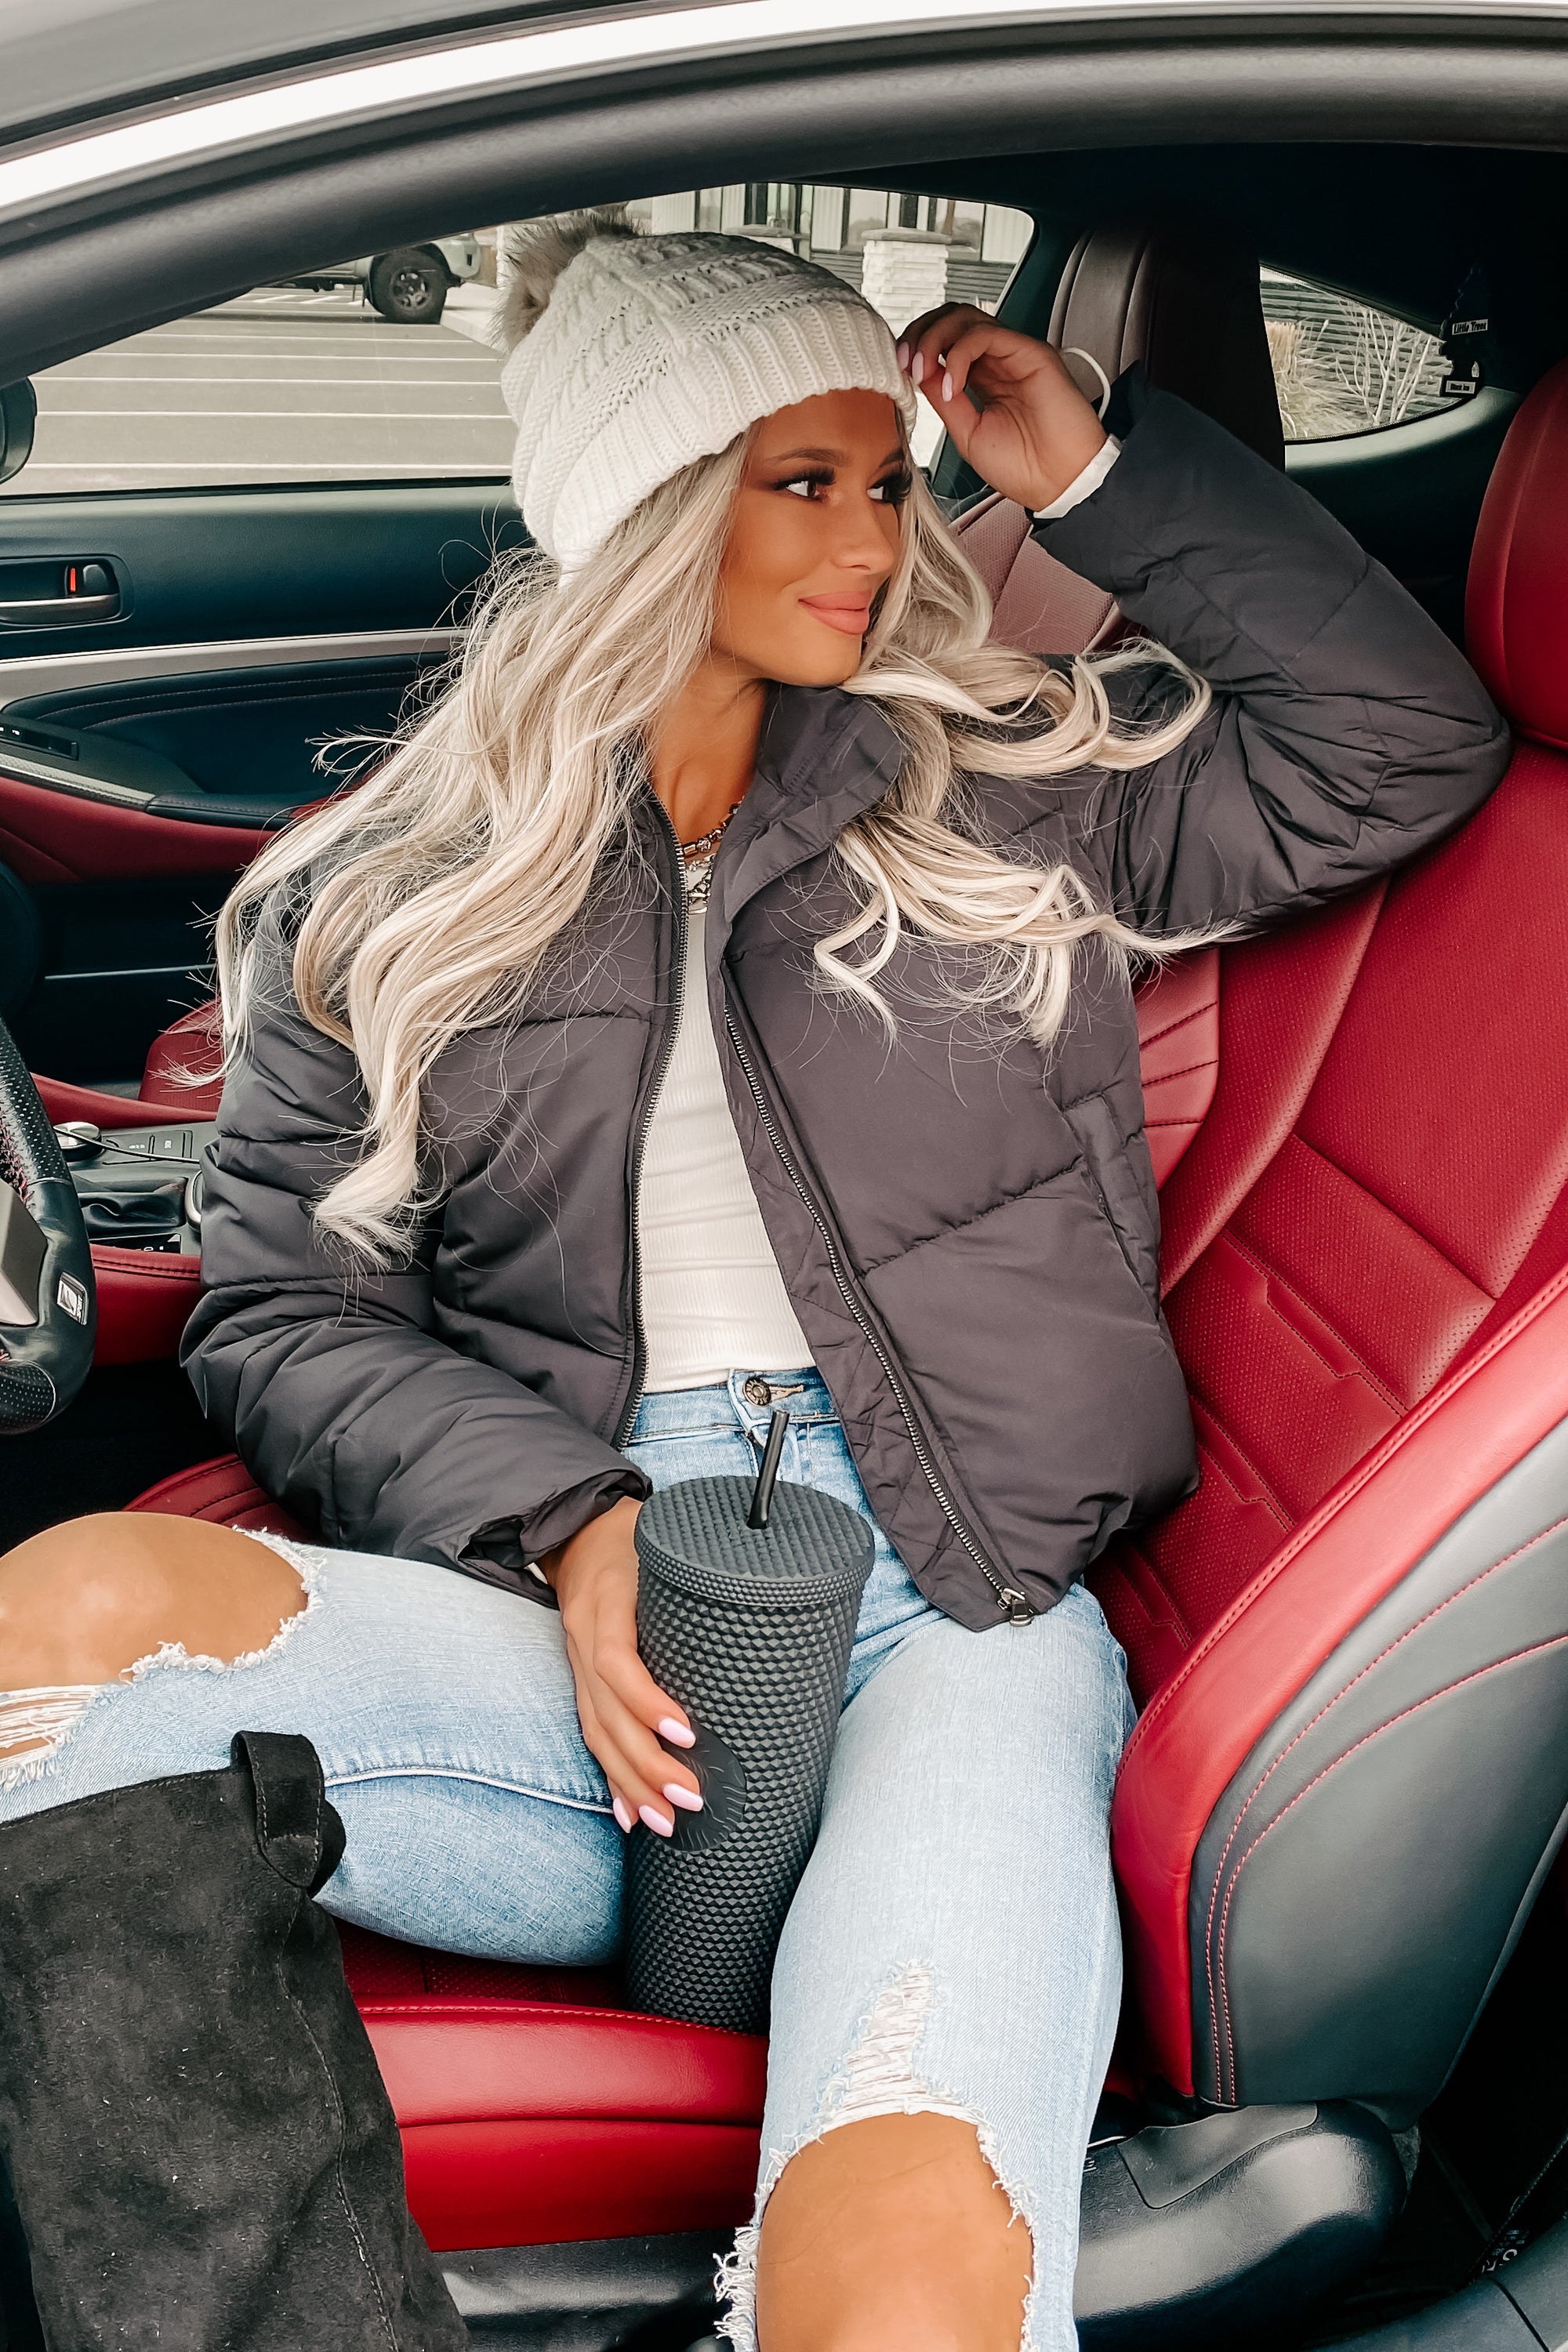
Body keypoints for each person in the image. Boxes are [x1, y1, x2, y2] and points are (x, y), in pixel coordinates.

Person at [0, 210, 1508, 2352]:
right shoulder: (400, 888)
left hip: (959, 1617)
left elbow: (1399, 742)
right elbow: (278, 1307)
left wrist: (1094, 473)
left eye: (888, 481)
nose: (876, 543)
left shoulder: (999, 790)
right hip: (576, 1626)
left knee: (902, 2275)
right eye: (805, 484)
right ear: (644, 513)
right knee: (58, 1627)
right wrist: (565, 1518)